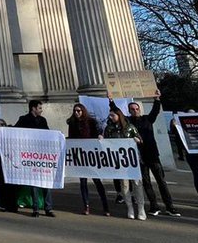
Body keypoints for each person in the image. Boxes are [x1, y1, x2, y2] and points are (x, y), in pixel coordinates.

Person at [109, 88, 180, 217]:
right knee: (146, 183)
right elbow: (118, 112)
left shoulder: (147, 119)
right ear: (129, 111)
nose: (135, 111)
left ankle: (170, 206)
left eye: (137, 109)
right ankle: (154, 206)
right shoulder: (128, 122)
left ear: (139, 110)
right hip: (139, 157)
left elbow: (155, 110)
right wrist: (111, 101)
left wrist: (157, 99)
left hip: (152, 154)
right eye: (132, 109)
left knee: (161, 182)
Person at [66, 103, 110, 216]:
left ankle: (105, 206)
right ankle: (86, 205)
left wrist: (99, 137)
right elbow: (71, 137)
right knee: (83, 182)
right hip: (80, 156)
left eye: (79, 111)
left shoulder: (91, 122)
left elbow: (96, 134)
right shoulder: (72, 123)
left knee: (97, 181)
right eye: (75, 110)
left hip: (91, 155)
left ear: (83, 111)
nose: (76, 113)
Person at [14, 99, 55, 217]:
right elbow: (15, 133)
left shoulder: (43, 120)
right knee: (34, 183)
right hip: (30, 154)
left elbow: (48, 134)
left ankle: (48, 208)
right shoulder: (23, 119)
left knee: (46, 182)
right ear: (33, 108)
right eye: (40, 108)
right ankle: (35, 209)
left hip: (42, 155)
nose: (41, 110)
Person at [104, 109, 146, 220]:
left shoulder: (129, 127)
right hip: (119, 160)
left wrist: (137, 140)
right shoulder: (109, 128)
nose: (111, 117)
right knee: (124, 184)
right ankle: (130, 208)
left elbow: (140, 139)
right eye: (110, 115)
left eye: (113, 115)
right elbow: (106, 143)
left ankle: (141, 208)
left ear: (119, 115)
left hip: (132, 160)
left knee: (137, 184)